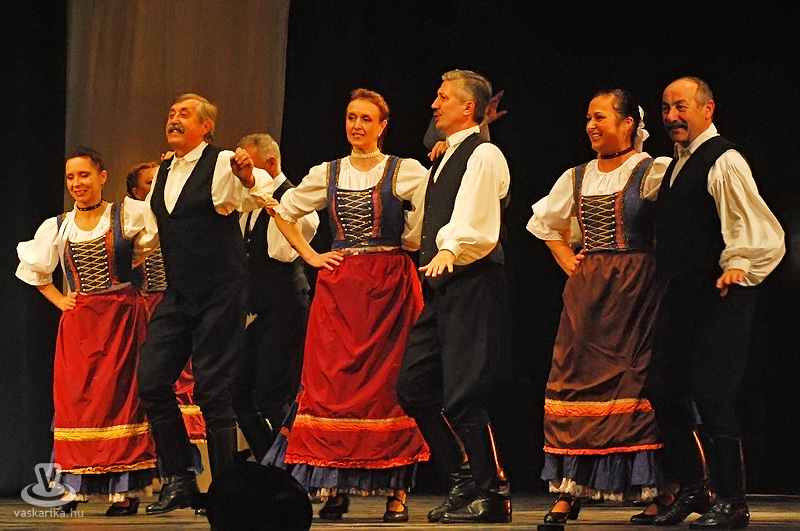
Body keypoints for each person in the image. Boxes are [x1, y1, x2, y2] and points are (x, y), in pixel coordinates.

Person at [267, 88, 430, 523]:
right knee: (333, 387)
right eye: (351, 117)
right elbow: (282, 210)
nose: (357, 125)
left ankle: (397, 490)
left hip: (389, 288)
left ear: (382, 126)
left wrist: (409, 240)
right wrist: (309, 254)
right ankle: (335, 486)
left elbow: (430, 212)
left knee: (388, 388)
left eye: (366, 118)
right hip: (341, 292)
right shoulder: (329, 172)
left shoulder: (404, 170)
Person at [527, 89, 673, 526]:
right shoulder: (577, 177)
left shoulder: (651, 170)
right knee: (574, 381)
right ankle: (569, 489)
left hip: (637, 291)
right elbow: (545, 224)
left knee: (634, 382)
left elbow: (681, 218)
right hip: (588, 294)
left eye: (600, 117)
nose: (591, 125)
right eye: (589, 118)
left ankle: (658, 490)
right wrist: (568, 260)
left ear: (628, 124)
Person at [646, 77, 785, 529]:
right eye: (665, 108)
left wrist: (738, 262)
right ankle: (694, 488)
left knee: (713, 392)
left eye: (680, 106)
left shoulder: (723, 160)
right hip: (683, 293)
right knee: (663, 390)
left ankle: (732, 500)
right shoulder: (676, 163)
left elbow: (752, 224)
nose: (671, 116)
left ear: (707, 109)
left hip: (721, 291)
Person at [136, 93, 273, 515]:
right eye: (171, 113)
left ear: (206, 126)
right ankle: (180, 480)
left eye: (184, 114)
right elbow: (154, 229)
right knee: (152, 382)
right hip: (179, 293)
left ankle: (227, 492)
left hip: (220, 292)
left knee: (213, 391)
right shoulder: (163, 170)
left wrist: (248, 178)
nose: (174, 119)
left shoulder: (223, 161)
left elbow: (257, 196)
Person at [396, 69, 512, 524]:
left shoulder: (484, 154)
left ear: (469, 107)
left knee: (464, 394)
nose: (434, 104)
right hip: (444, 286)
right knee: (414, 388)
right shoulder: (446, 155)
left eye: (443, 97)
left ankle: (492, 492)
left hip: (473, 280)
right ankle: (463, 479)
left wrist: (450, 247)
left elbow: (475, 214)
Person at [16, 147, 157, 516]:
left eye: (84, 175)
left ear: (102, 176)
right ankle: (75, 485)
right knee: (78, 401)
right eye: (71, 177)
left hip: (120, 317)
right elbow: (34, 270)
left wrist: (126, 270)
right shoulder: (58, 226)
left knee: (119, 398)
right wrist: (61, 300)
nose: (77, 183)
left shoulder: (127, 214)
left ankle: (124, 490)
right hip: (80, 324)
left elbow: (149, 246)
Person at [231, 133, 318, 462]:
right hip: (260, 312)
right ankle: (272, 463)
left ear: (270, 164)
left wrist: (274, 205)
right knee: (237, 392)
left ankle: (296, 466)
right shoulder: (247, 205)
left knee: (272, 395)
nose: (244, 175)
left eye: (249, 167)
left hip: (286, 307)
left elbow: (288, 247)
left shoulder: (292, 198)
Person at [126, 162, 207, 465]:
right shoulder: (130, 222)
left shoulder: (179, 218)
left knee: (180, 377)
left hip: (175, 305)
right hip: (142, 309)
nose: (157, 185)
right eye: (150, 182)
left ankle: (184, 463)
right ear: (136, 192)